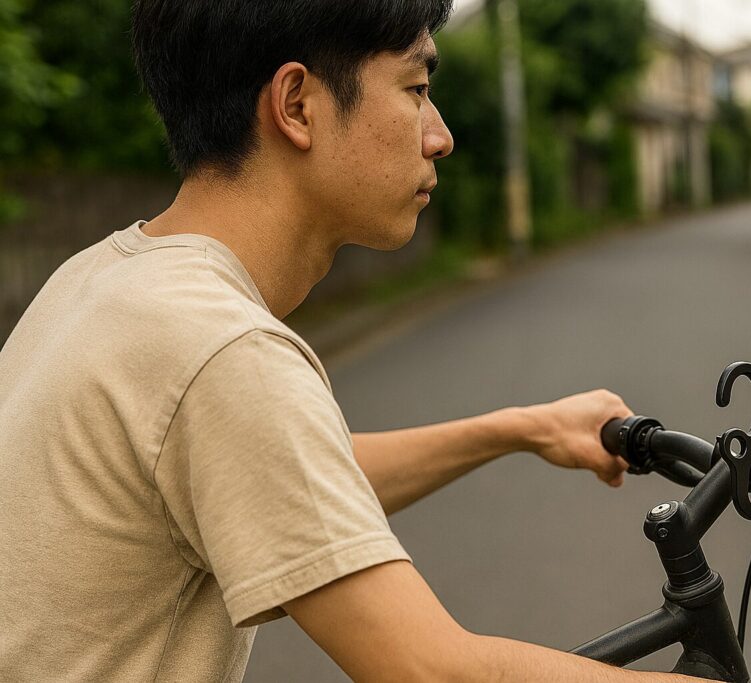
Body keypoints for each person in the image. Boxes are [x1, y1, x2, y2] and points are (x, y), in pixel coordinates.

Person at [0, 2, 711, 680]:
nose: (440, 134)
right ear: (297, 105)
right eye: (416, 86)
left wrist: (520, 428)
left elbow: (285, 476)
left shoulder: (103, 280)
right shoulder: (219, 349)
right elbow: (433, 670)